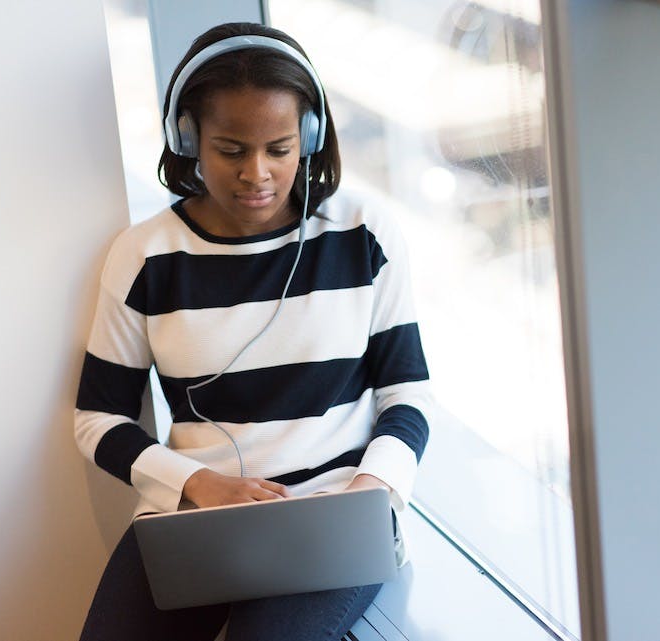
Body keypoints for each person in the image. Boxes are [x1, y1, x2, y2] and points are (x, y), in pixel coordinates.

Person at [74, 21, 431, 640]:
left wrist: (370, 493)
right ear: (188, 138)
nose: (257, 173)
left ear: (310, 138)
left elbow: (409, 394)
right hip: (195, 514)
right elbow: (96, 418)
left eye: (280, 148)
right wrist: (197, 485)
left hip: (331, 511)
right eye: (231, 150)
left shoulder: (363, 234)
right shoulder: (144, 257)